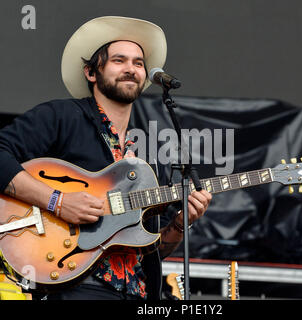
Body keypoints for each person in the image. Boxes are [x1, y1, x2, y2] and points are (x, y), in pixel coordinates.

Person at [0, 16, 212, 300]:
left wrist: (179, 224)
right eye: (119, 61)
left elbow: (149, 249)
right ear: (91, 73)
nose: (131, 69)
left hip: (136, 293)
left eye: (138, 63)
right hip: (77, 285)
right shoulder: (62, 117)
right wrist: (57, 201)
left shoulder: (149, 158)